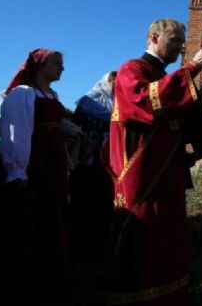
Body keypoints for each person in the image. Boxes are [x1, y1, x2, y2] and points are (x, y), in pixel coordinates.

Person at [103, 19, 202, 306]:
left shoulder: (162, 74)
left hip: (167, 168)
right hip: (140, 171)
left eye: (183, 41)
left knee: (166, 237)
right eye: (176, 40)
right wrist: (190, 70)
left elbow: (176, 111)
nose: (182, 47)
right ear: (154, 37)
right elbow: (144, 104)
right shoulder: (133, 69)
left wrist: (196, 101)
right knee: (142, 234)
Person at [0, 48, 80, 301]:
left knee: (53, 211)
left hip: (53, 160)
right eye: (57, 63)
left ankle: (50, 270)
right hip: (35, 161)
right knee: (33, 212)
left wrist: (76, 133)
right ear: (40, 65)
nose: (62, 68)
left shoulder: (51, 94)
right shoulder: (23, 94)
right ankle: (27, 275)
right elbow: (17, 133)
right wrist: (17, 170)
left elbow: (56, 122)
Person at [68, 71, 117, 261]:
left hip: (110, 160)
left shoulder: (119, 104)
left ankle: (100, 244)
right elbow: (76, 128)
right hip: (87, 159)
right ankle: (79, 245)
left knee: (105, 202)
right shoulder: (87, 103)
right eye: (114, 83)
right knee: (83, 201)